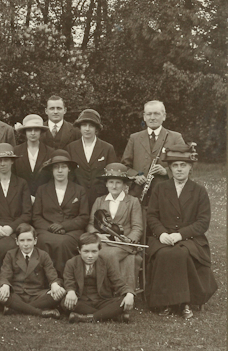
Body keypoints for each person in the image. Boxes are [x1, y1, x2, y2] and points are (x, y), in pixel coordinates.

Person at [145, 144, 217, 319]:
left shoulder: (199, 191)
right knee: (163, 254)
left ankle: (184, 302)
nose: (179, 169)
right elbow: (152, 216)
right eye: (175, 166)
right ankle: (166, 303)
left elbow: (202, 222)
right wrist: (162, 234)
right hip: (162, 236)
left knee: (181, 253)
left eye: (183, 165)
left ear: (190, 167)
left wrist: (180, 235)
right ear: (170, 168)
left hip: (190, 238)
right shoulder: (160, 188)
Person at [86, 163, 143, 290]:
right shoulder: (99, 201)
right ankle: (95, 290)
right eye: (111, 182)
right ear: (106, 184)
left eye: (118, 182)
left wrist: (128, 239)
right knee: (94, 251)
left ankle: (117, 290)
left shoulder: (133, 201)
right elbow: (91, 224)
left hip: (124, 244)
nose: (114, 186)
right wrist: (97, 235)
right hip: (103, 242)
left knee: (107, 254)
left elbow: (137, 227)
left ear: (124, 185)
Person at [32, 149, 89, 276]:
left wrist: (65, 226)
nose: (59, 171)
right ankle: (45, 281)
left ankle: (66, 280)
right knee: (42, 240)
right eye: (56, 167)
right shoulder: (42, 190)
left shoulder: (79, 190)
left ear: (69, 169)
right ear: (51, 170)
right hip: (46, 229)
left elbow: (84, 217)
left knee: (63, 243)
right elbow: (36, 216)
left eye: (63, 167)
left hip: (71, 231)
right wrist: (50, 227)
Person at [0, 143, 33, 273]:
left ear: (12, 162)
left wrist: (12, 227)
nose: (3, 164)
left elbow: (27, 214)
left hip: (14, 228)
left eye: (6, 160)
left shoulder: (21, 183)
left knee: (13, 245)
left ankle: (13, 283)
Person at [0, 223, 65, 318]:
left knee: (61, 292)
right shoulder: (11, 254)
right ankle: (40, 312)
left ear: (35, 241)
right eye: (22, 240)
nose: (26, 244)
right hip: (17, 294)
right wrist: (5, 285)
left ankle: (15, 309)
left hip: (37, 294)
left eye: (29, 240)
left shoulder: (43, 255)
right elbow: (5, 274)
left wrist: (54, 285)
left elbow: (51, 274)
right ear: (17, 242)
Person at [121, 100, 186, 202]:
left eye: (156, 114)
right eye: (149, 114)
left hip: (166, 195)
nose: (152, 117)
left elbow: (187, 165)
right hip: (138, 196)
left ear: (164, 116)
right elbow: (125, 166)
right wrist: (135, 176)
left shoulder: (175, 138)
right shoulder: (134, 138)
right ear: (144, 117)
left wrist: (166, 171)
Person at [63, 233, 135, 323]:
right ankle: (110, 316)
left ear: (99, 250)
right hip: (82, 300)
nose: (90, 256)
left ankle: (87, 318)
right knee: (64, 301)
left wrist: (129, 294)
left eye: (94, 251)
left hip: (102, 300)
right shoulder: (71, 263)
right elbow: (68, 281)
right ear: (79, 250)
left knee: (122, 300)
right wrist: (71, 291)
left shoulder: (105, 262)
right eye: (86, 251)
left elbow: (117, 281)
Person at [65, 109, 117, 207]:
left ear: (96, 128)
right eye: (84, 125)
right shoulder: (71, 148)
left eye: (91, 126)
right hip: (77, 198)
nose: (87, 129)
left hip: (101, 198)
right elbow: (69, 176)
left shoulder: (107, 148)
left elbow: (112, 176)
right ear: (79, 127)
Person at [12, 114, 54, 200]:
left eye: (36, 130)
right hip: (21, 199)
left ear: (41, 132)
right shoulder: (16, 151)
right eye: (29, 130)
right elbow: (13, 177)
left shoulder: (50, 152)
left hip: (45, 198)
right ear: (25, 132)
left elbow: (52, 179)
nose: (33, 133)